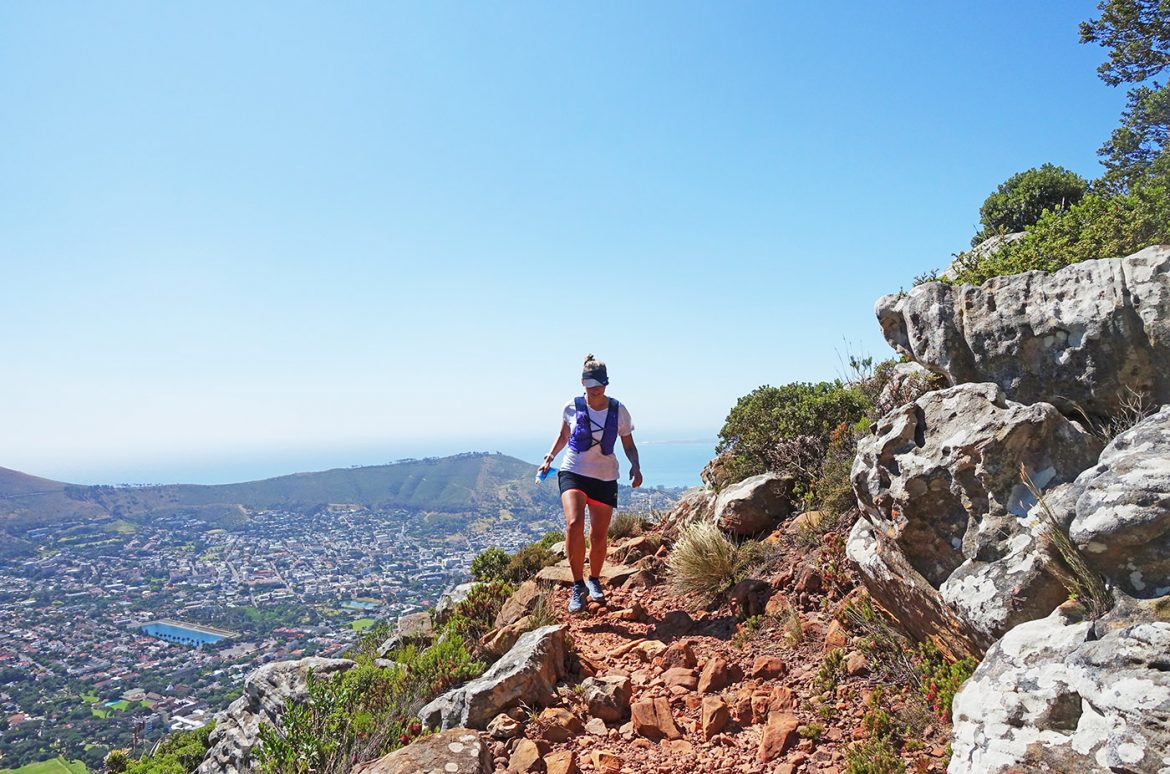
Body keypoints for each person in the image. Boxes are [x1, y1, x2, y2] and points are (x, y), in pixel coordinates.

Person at [538, 354, 643, 613]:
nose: (596, 390)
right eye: (591, 385)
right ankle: (577, 584)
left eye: (600, 385)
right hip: (573, 470)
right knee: (574, 523)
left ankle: (594, 579)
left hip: (605, 477)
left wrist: (636, 466)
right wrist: (549, 458)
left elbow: (628, 444)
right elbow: (563, 435)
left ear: (606, 384)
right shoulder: (571, 407)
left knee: (598, 535)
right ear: (582, 384)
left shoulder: (619, 410)